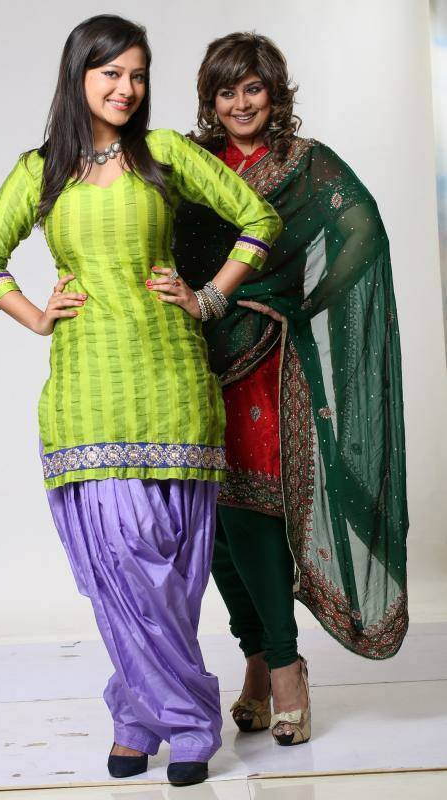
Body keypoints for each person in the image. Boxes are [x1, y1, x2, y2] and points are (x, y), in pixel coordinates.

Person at [0, 16, 282, 787]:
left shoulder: (164, 153)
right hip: (86, 395)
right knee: (123, 565)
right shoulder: (41, 170)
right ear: (79, 75)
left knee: (172, 572)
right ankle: (189, 720)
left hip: (172, 385)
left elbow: (260, 219)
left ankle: (136, 718)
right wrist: (36, 315)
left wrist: (208, 296)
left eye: (138, 74)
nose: (126, 88)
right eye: (111, 73)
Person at [173, 31, 408, 747]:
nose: (241, 104)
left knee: (251, 510)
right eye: (227, 91)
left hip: (267, 362)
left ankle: (284, 670)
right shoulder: (189, 165)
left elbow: (361, 229)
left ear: (275, 94)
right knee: (209, 524)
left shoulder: (303, 165)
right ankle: (254, 657)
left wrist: (299, 304)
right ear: (210, 99)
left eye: (253, 88)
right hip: (190, 359)